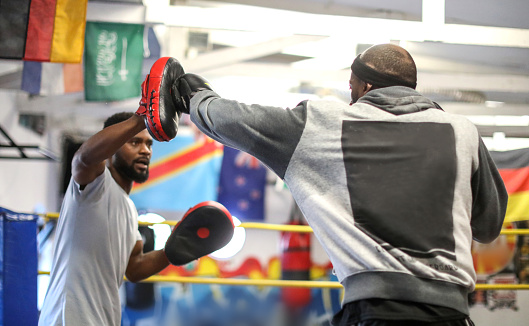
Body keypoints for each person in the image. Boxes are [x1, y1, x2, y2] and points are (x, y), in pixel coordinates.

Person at [170, 43, 508, 325]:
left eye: (351, 88)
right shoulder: (462, 131)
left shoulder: (325, 124)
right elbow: (489, 226)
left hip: (376, 310)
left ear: (364, 88)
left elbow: (237, 121)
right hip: (453, 314)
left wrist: (196, 97)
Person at [38, 110, 234, 325]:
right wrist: (142, 118)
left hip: (103, 319)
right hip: (69, 318)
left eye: (149, 145)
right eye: (134, 143)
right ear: (113, 149)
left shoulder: (129, 208)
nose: (145, 151)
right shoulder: (96, 186)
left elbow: (134, 268)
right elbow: (83, 158)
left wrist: (174, 251)